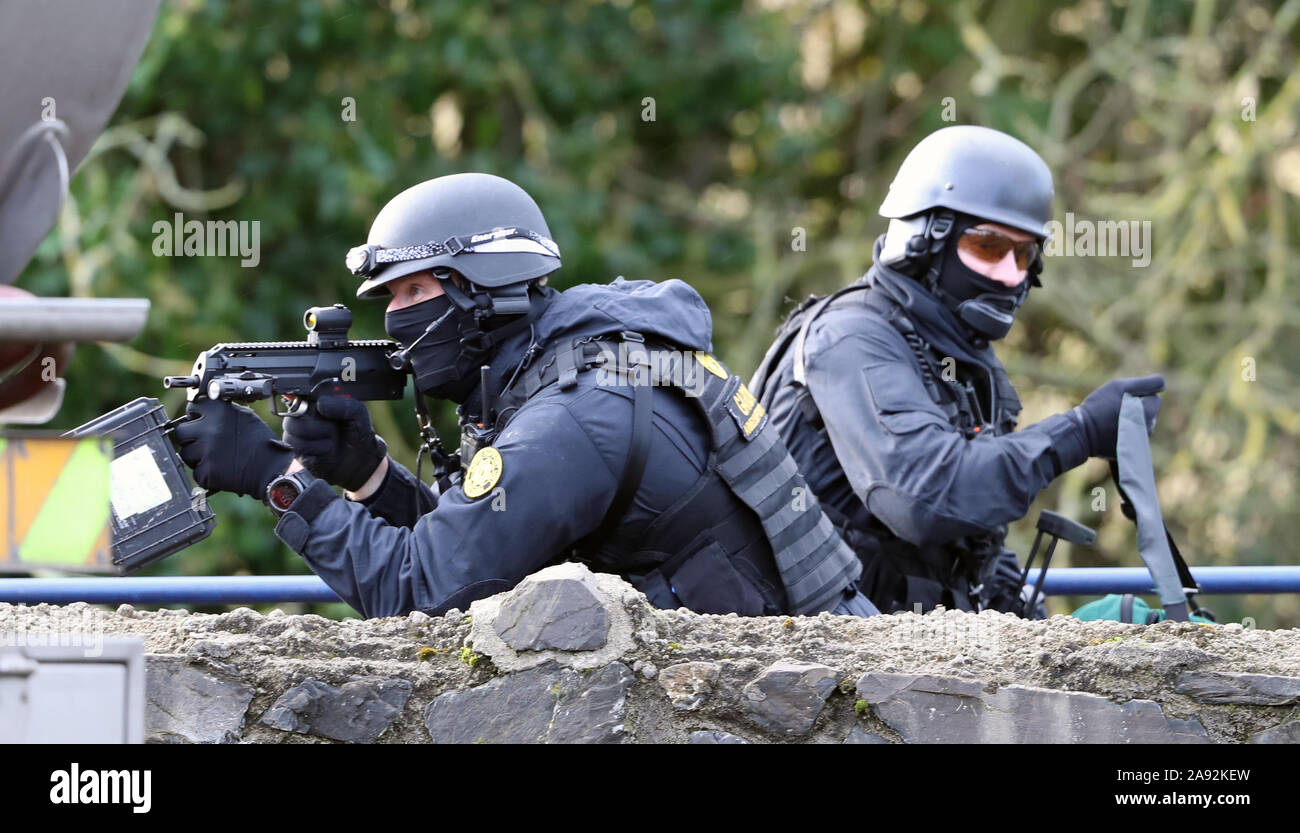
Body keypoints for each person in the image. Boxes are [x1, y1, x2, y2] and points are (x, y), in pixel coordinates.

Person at [174, 173, 875, 620]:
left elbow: (423, 592)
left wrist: (277, 479)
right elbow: (481, 552)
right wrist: (368, 475)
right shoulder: (569, 368)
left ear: (484, 291)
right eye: (389, 297)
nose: (395, 318)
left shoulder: (575, 413)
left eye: (415, 290)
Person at [750, 125, 1164, 616]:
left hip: (916, 639)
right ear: (925, 241)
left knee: (1131, 623)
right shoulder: (852, 338)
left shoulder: (957, 357)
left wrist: (1028, 617)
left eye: (1023, 254)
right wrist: (1079, 432)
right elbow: (925, 498)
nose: (1010, 274)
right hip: (816, 644)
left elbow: (973, 543)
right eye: (988, 247)